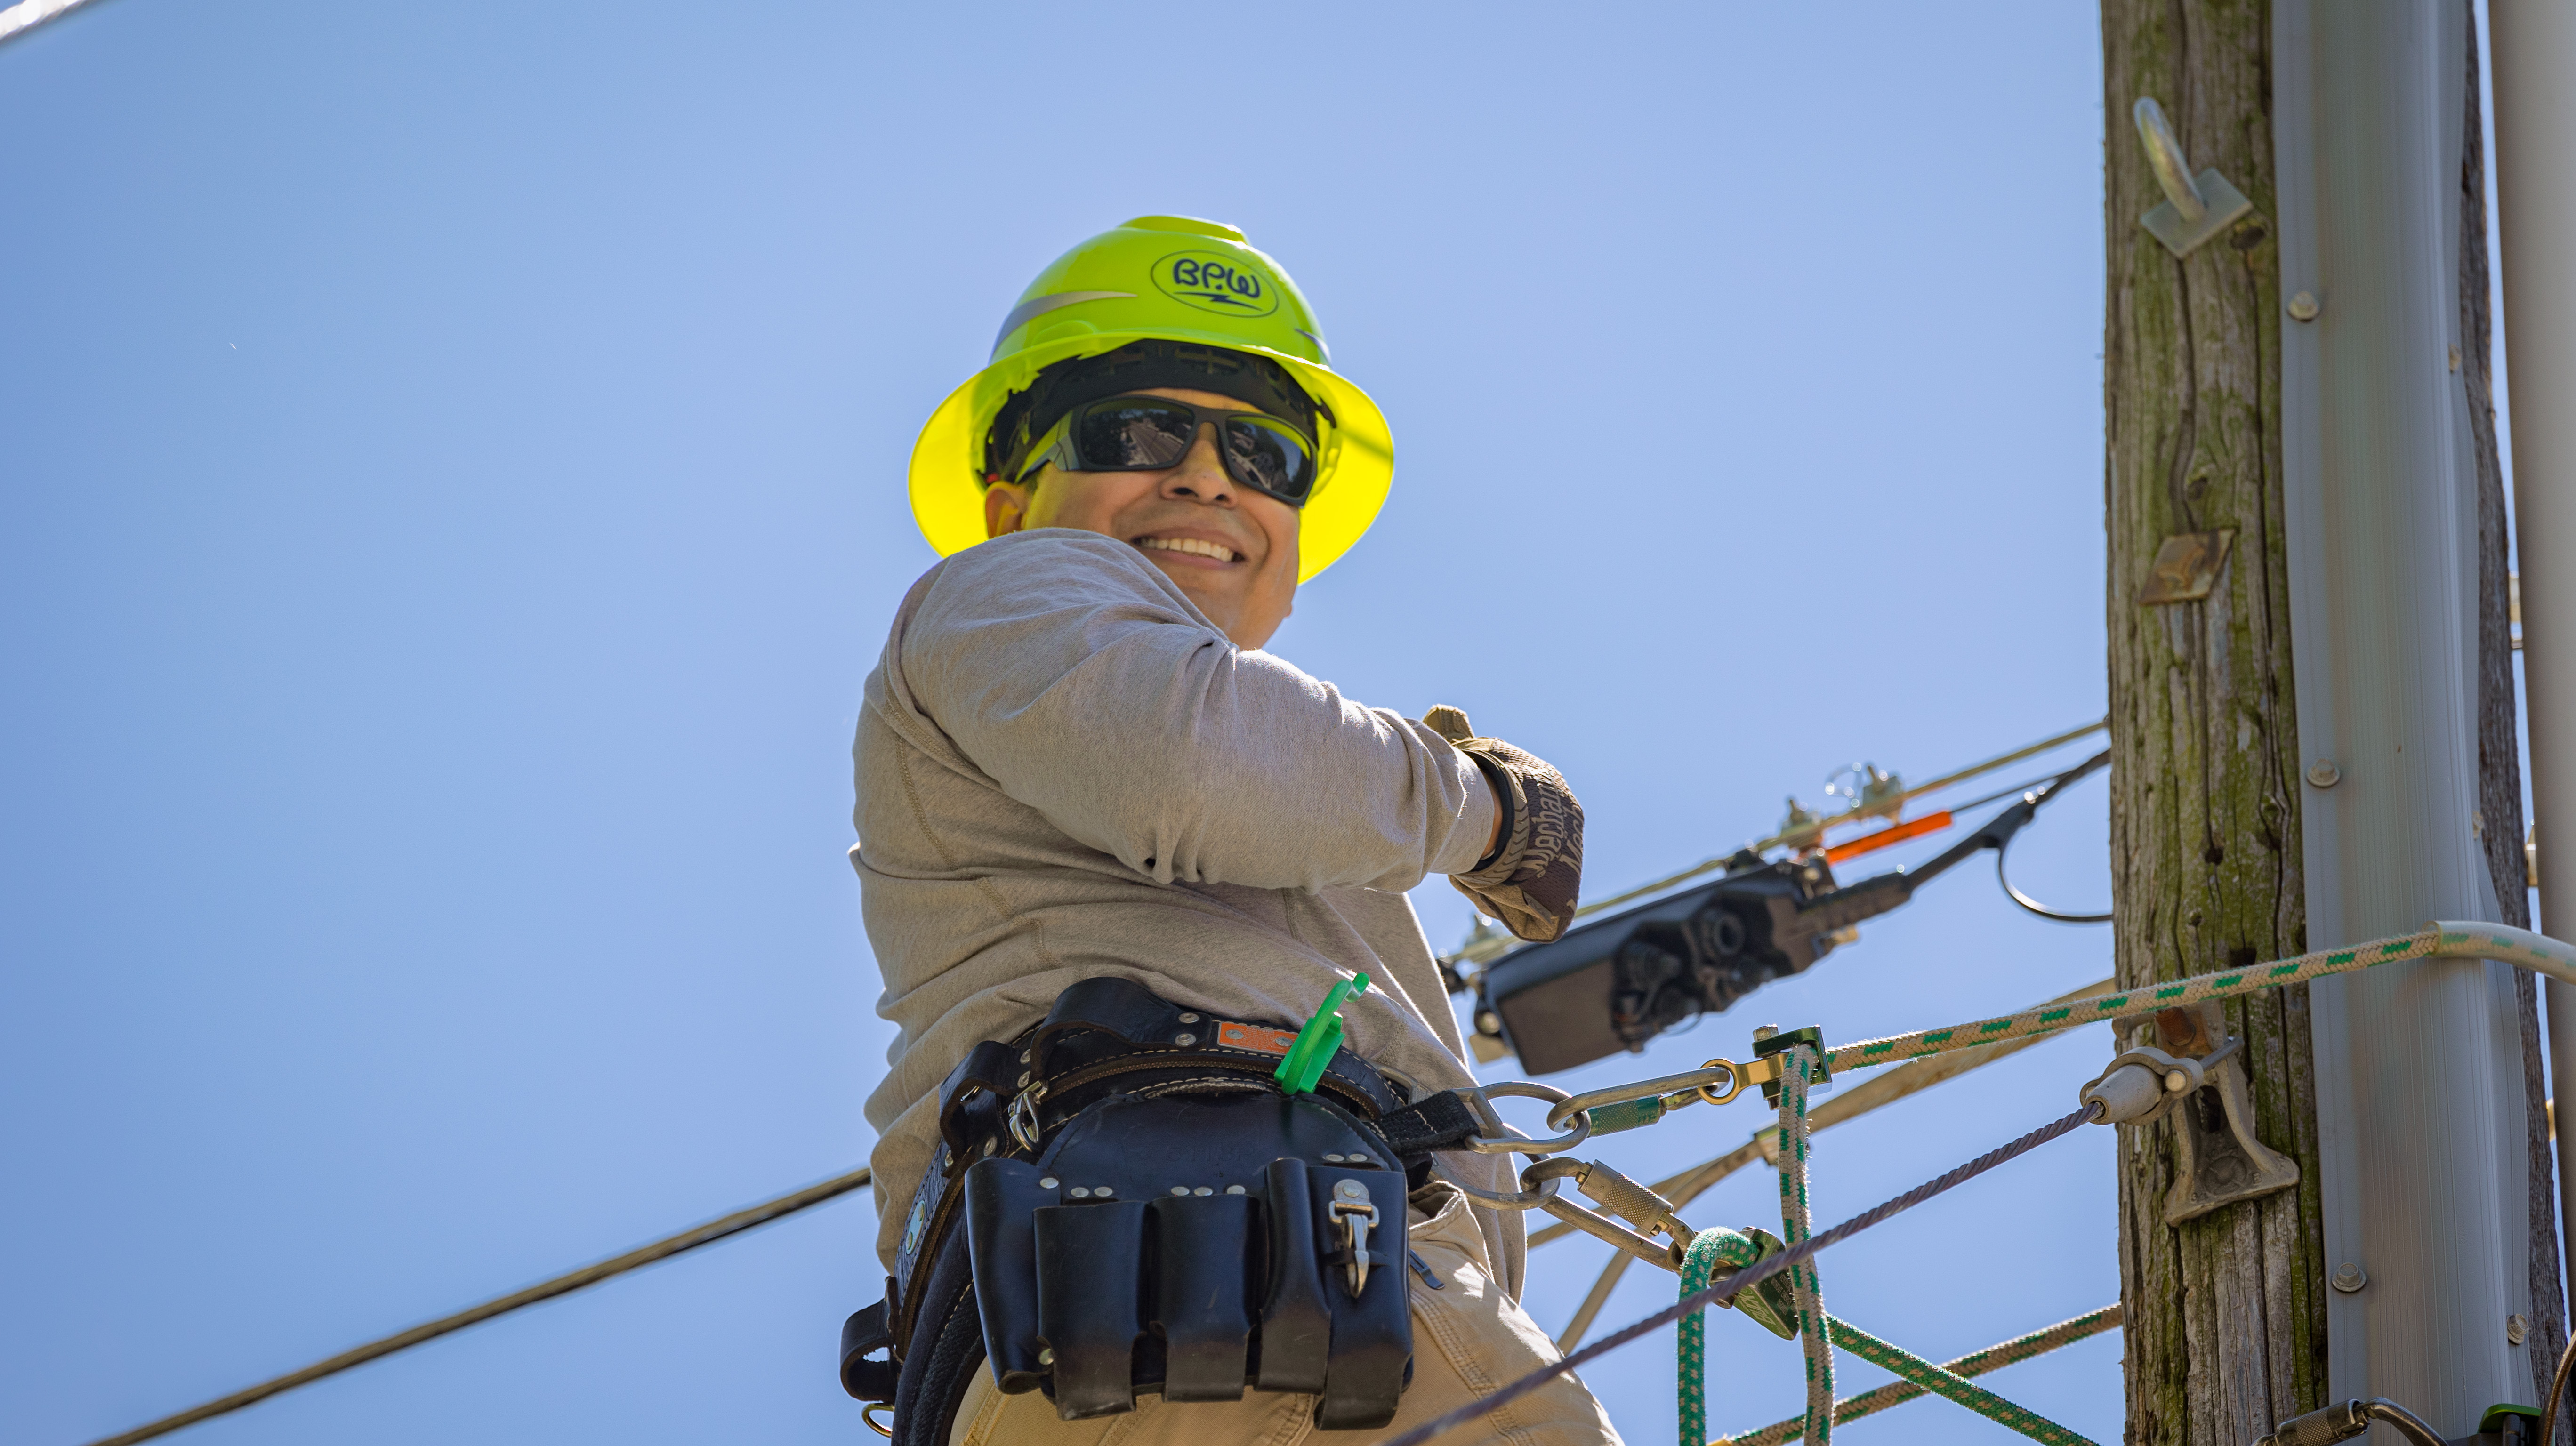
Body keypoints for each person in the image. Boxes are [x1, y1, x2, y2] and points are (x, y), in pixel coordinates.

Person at [845, 216, 1620, 1445]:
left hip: (1248, 1297)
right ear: (1012, 500)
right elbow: (1184, 762)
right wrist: (1484, 811)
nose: (1209, 474)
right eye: (1139, 429)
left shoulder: (1292, 797)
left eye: (1262, 450)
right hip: (1222, 1295)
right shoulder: (1008, 592)